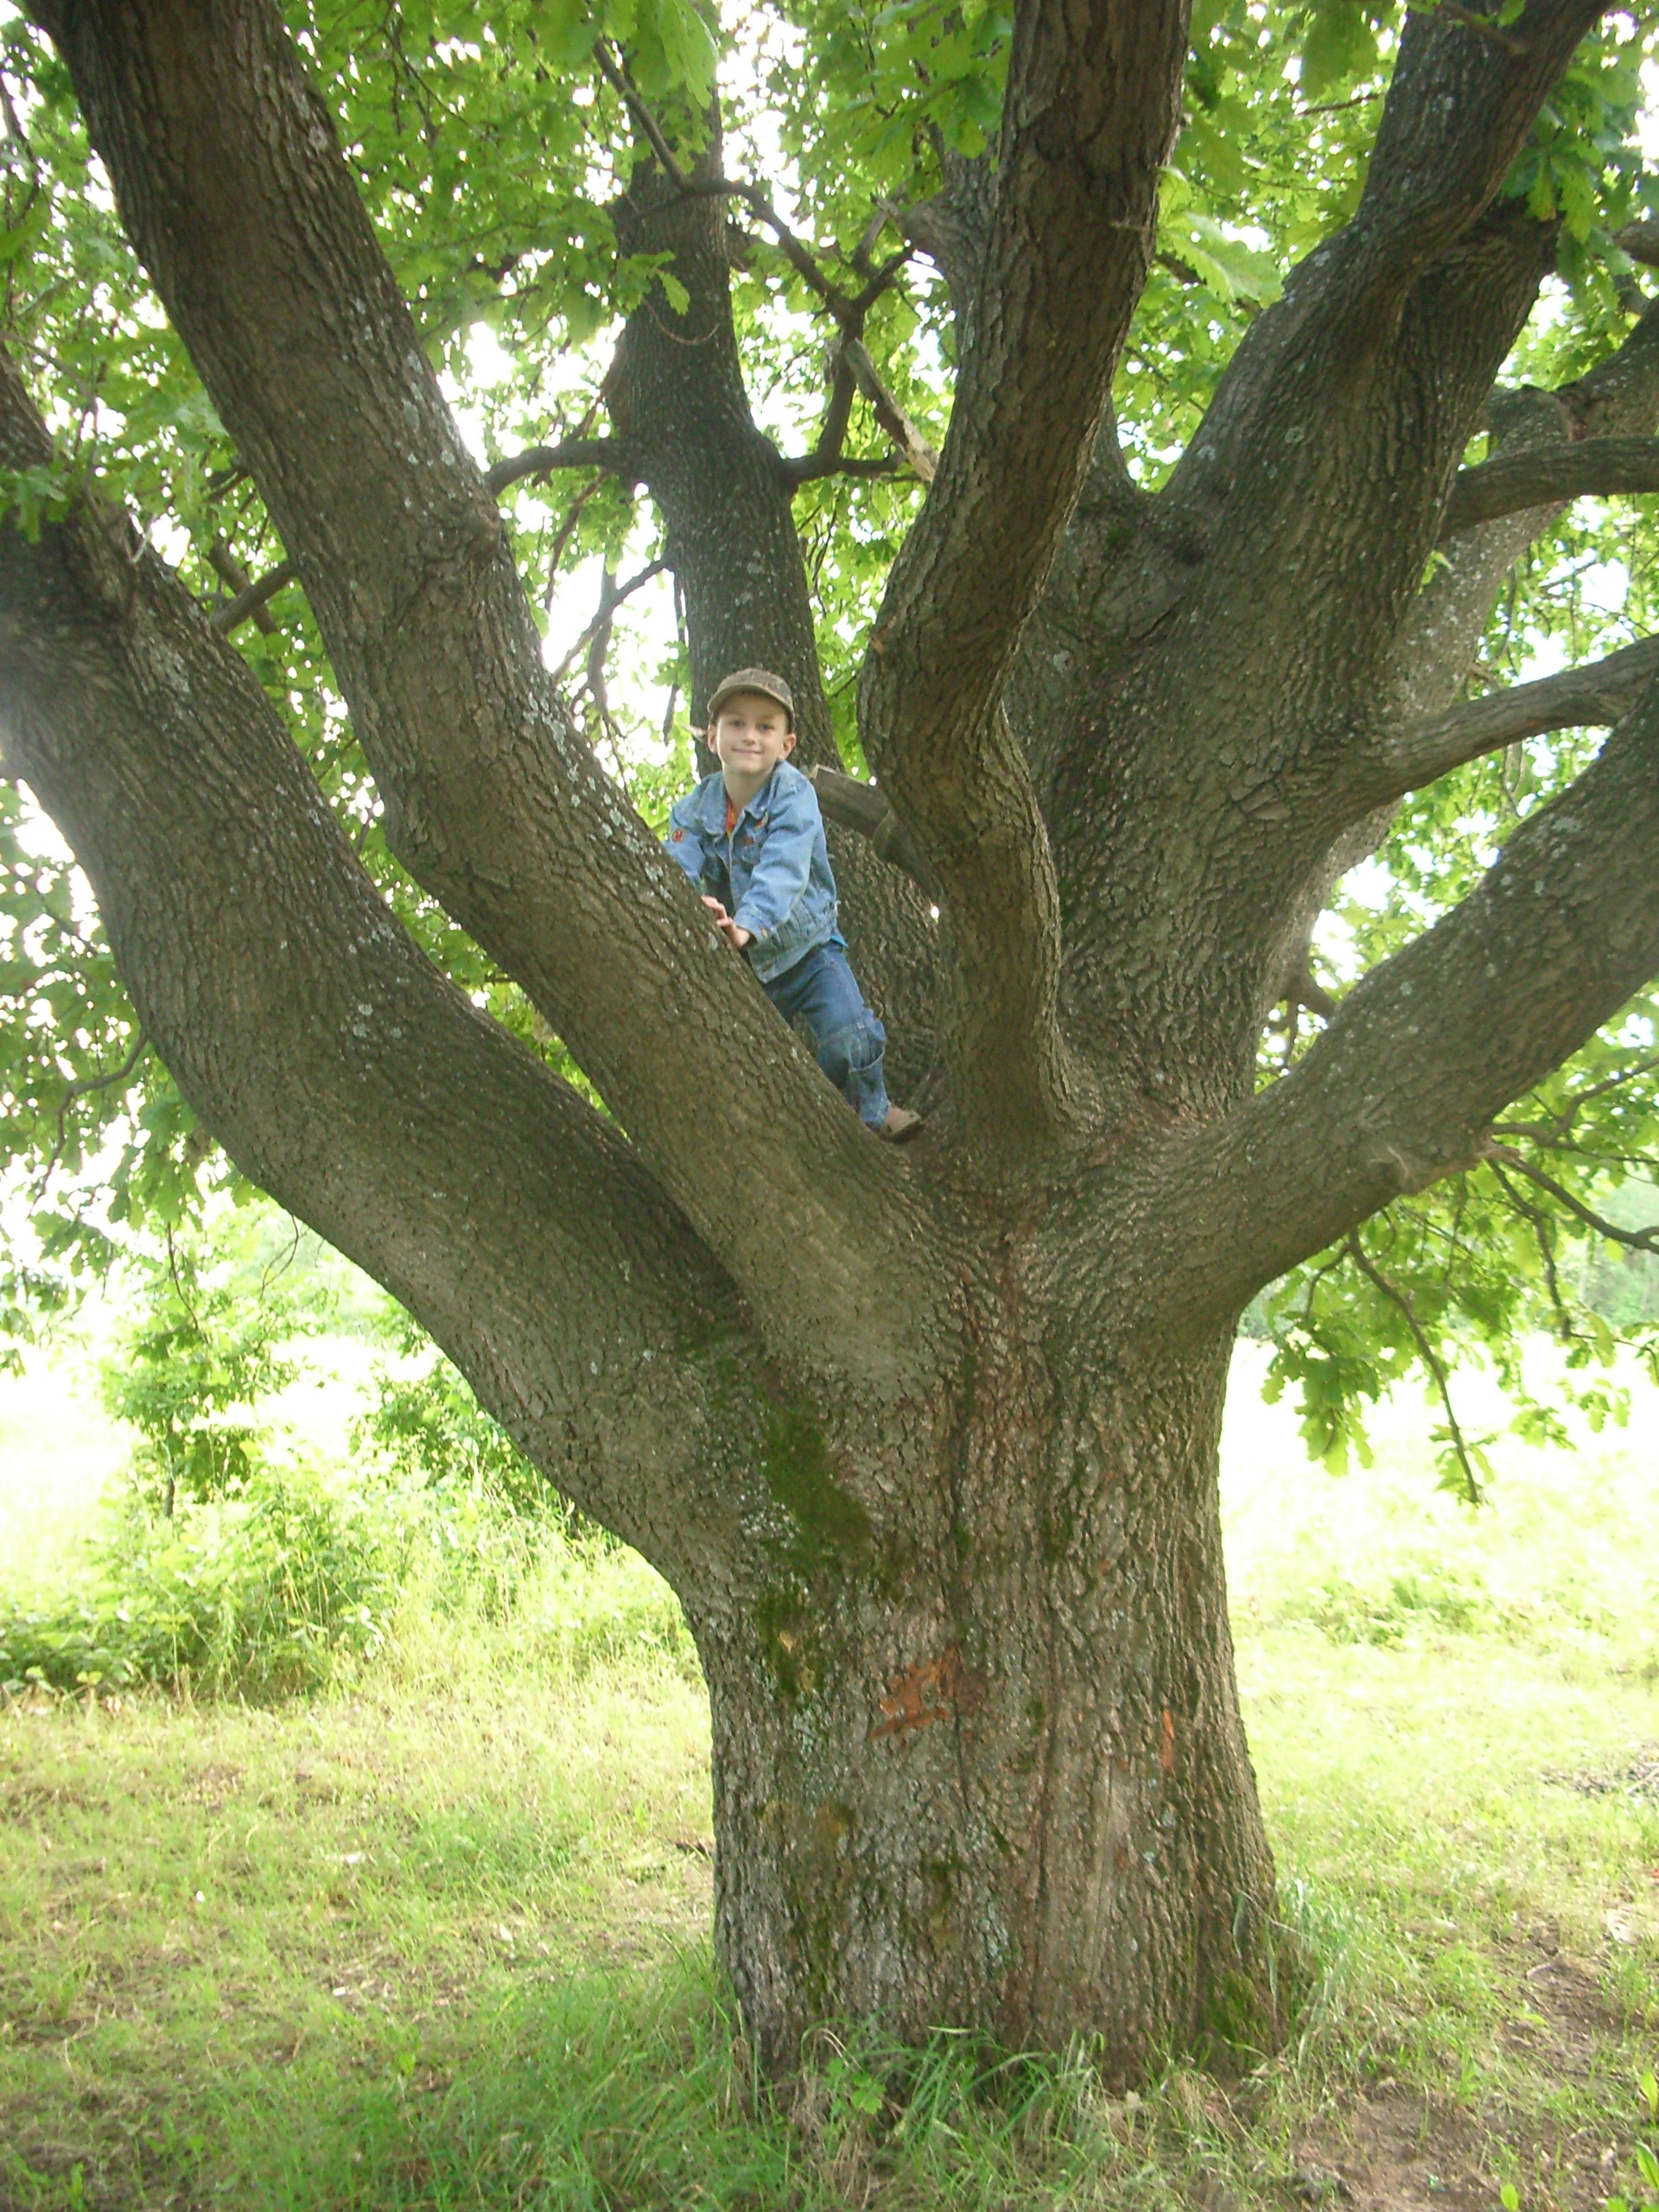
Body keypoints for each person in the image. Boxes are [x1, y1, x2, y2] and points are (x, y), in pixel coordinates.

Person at [664, 666, 921, 1141]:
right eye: (736, 723)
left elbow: (783, 869)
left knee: (850, 1038)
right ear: (712, 737)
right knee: (745, 1063)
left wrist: (746, 924)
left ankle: (873, 1109)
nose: (750, 736)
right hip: (748, 967)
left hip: (810, 950)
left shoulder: (794, 796)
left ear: (786, 745)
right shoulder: (694, 809)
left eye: (766, 726)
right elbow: (673, 866)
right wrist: (693, 906)